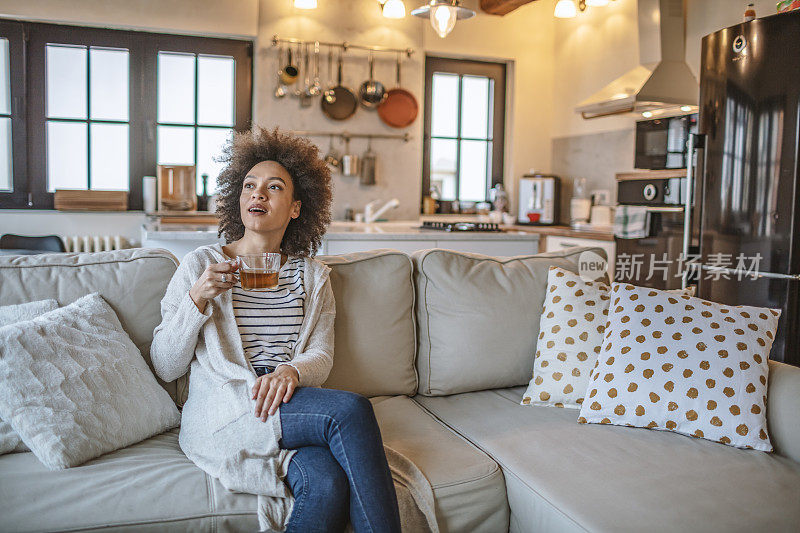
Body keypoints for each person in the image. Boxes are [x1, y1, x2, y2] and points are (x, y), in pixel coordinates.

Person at [150, 126, 402, 533]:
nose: (258, 194)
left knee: (326, 481)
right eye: (249, 185)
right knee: (351, 412)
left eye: (274, 186)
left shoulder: (312, 276)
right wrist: (196, 300)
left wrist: (293, 371)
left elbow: (321, 354)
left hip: (287, 403)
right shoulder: (200, 266)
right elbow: (165, 365)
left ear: (297, 208)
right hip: (229, 410)